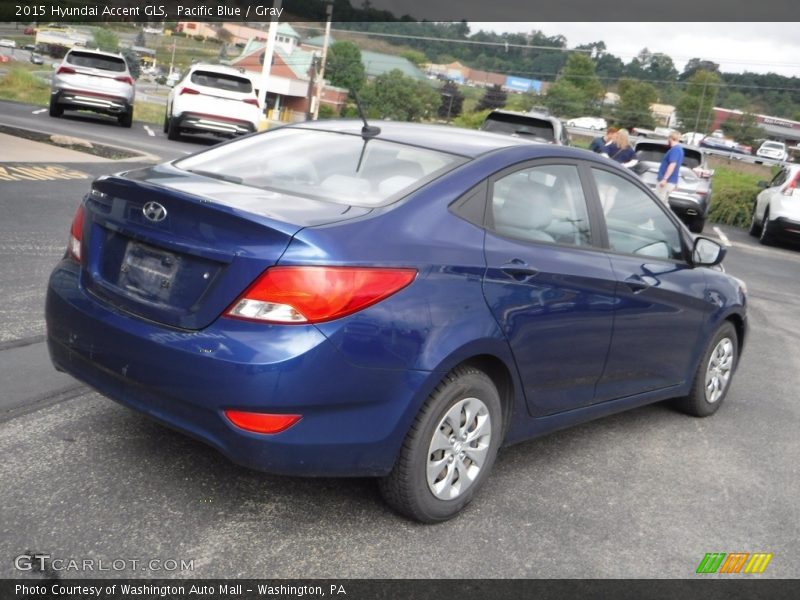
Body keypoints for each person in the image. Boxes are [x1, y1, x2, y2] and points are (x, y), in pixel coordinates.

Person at [656, 131, 684, 204]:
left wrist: (665, 179)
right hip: (670, 181)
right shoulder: (679, 149)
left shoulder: (675, 149)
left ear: (670, 138)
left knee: (659, 203)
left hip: (666, 182)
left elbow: (672, 164)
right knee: (664, 203)